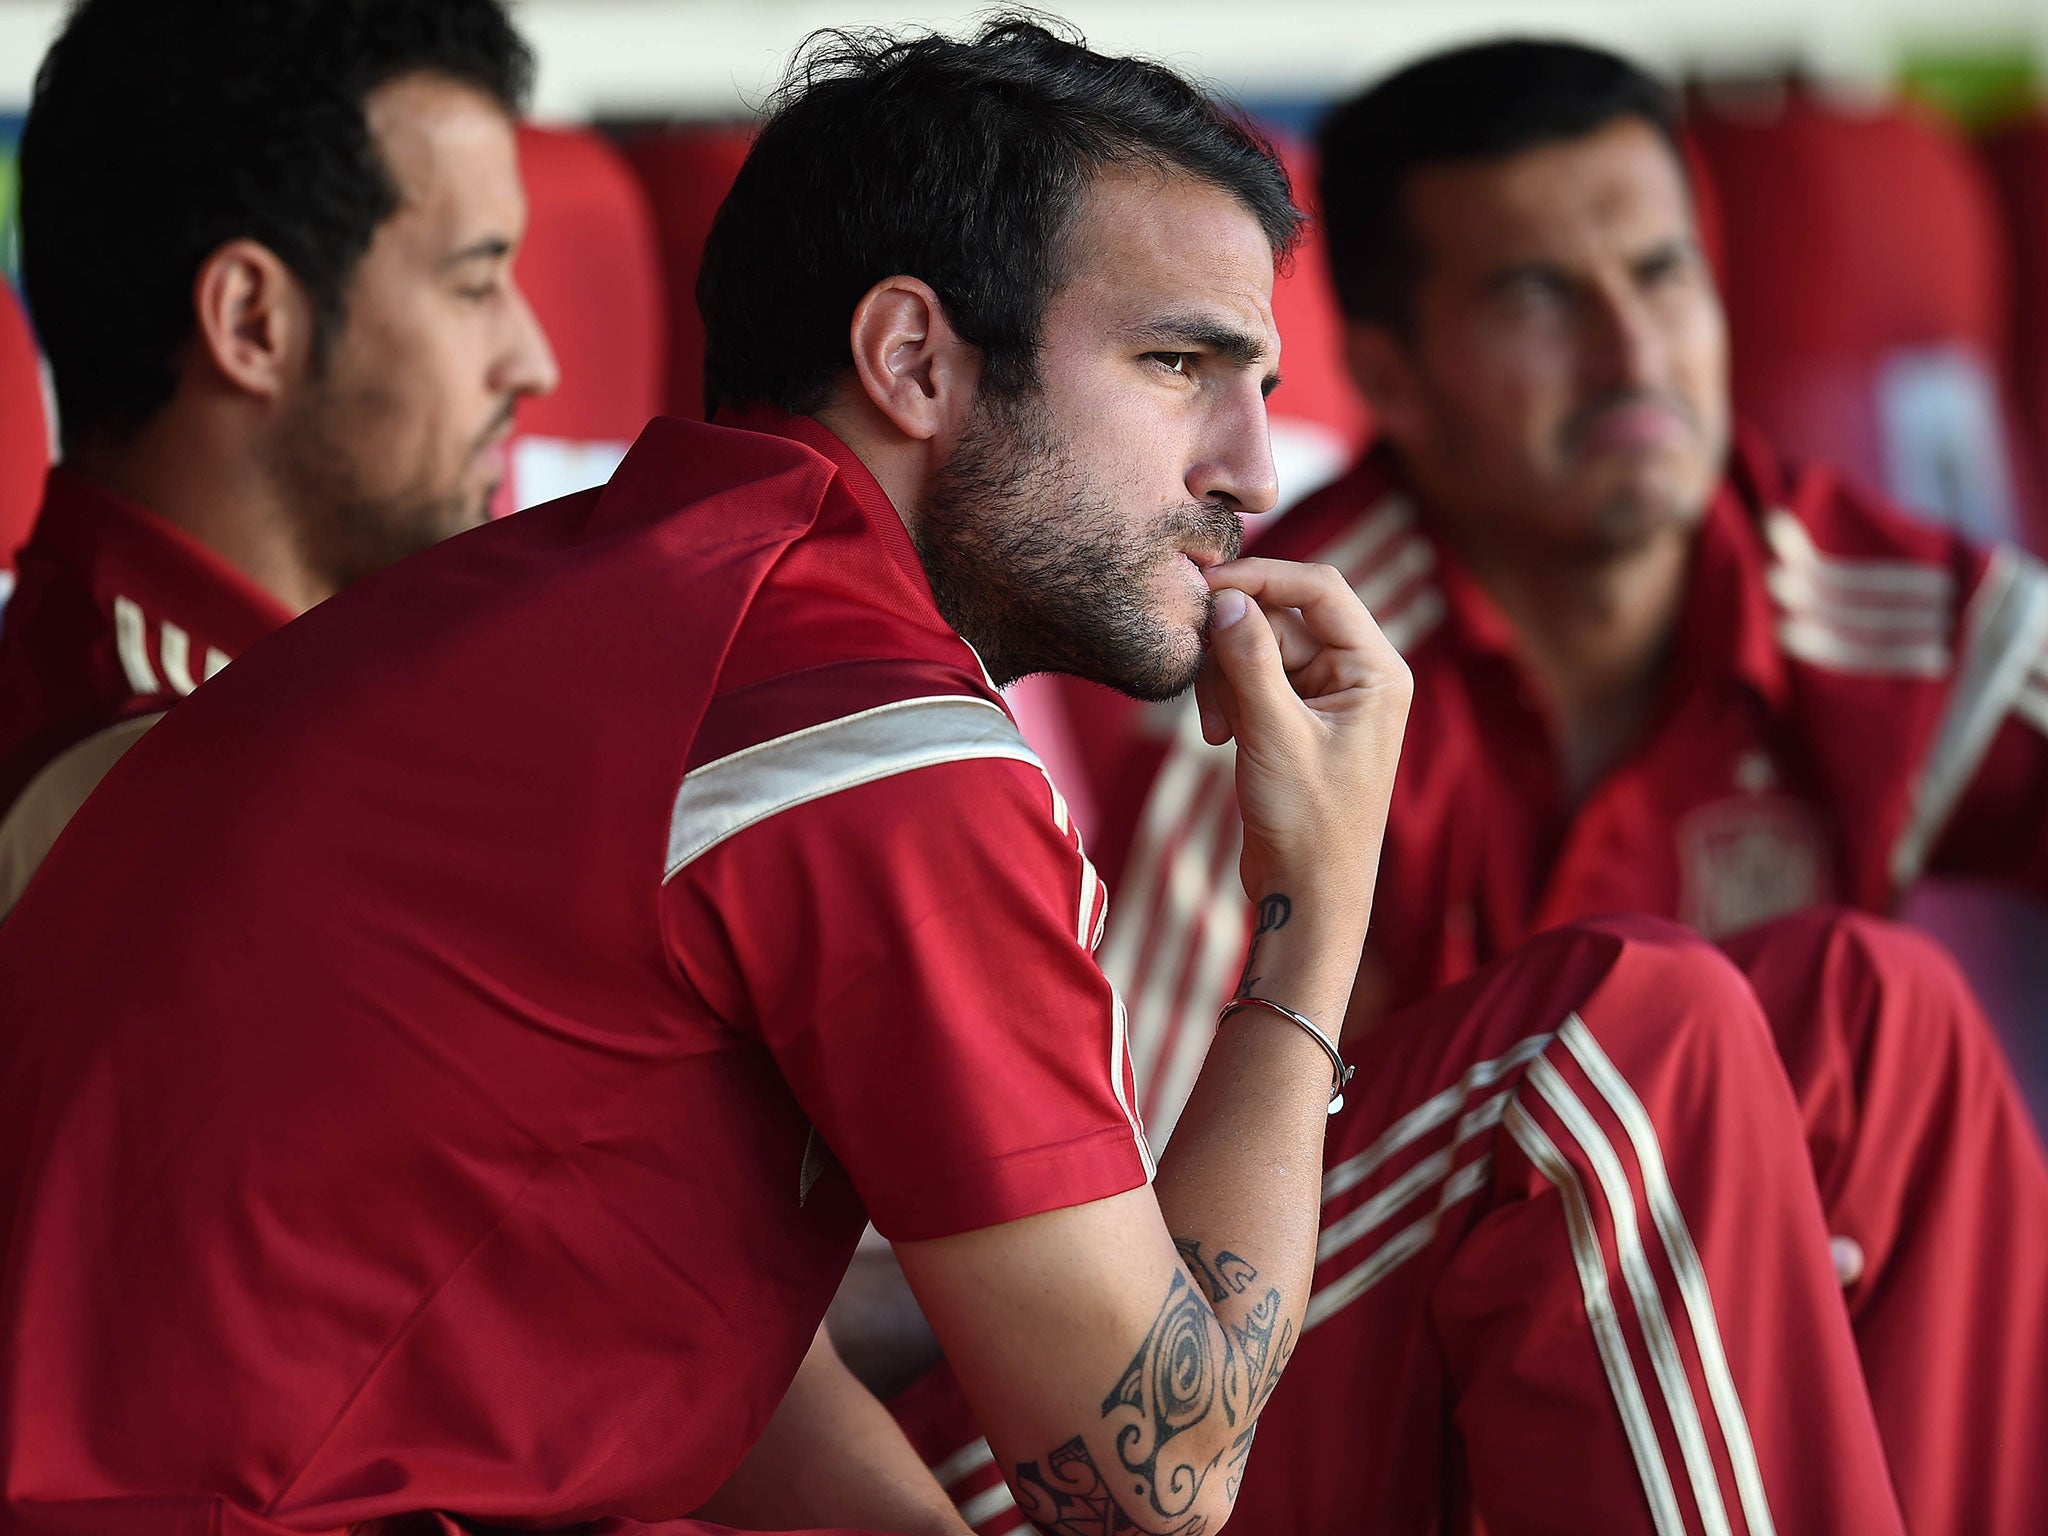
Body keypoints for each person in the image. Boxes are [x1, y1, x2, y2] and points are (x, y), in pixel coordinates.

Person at [0, 19, 1417, 1535]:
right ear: (914, 360)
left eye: (1257, 381)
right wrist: (1315, 914)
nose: (1252, 471)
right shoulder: (861, 726)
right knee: (1601, 1051)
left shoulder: (604, 607)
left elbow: (654, 1312)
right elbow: (1159, 1485)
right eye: (1178, 363)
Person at [892, 39, 2048, 1536]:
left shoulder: (1859, 601)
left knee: (1877, 1014)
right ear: (1389, 377)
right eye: (1538, 298)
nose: (1635, 353)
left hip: (1633, 1403)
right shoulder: (1290, 655)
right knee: (1620, 1042)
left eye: (1664, 275)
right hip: (1204, 1426)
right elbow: (1118, 1268)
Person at [0, 0, 559, 913]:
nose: (535, 360)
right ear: (251, 321)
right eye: (474, 282)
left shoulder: (275, 717)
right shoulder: (168, 799)